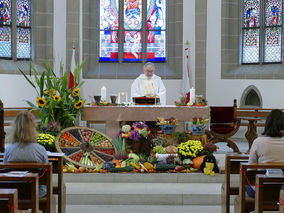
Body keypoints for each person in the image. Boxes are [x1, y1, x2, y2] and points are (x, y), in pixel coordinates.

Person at [4, 110, 48, 198]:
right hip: (36, 192)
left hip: (14, 191)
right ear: (33, 127)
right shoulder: (40, 150)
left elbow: (5, 170)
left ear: (15, 128)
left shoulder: (9, 150)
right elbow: (45, 173)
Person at [246, 109, 284, 198]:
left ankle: (251, 209)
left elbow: (250, 170)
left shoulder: (259, 142)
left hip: (262, 189)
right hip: (283, 189)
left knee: (247, 186)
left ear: (267, 124)